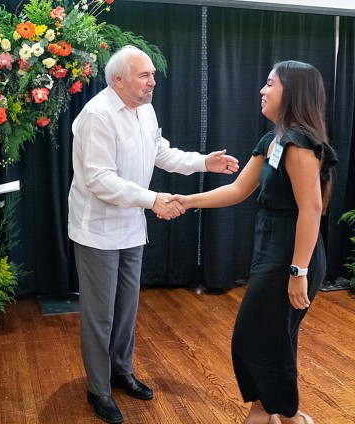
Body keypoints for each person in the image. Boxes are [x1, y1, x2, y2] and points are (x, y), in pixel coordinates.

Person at [68, 45, 240, 424]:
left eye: (151, 74)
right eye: (144, 75)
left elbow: (159, 151)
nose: (153, 81)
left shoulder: (144, 109)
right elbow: (99, 180)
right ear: (118, 81)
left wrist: (202, 162)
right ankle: (98, 390)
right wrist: (152, 199)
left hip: (132, 226)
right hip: (97, 229)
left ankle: (120, 371)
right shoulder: (97, 115)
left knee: (126, 309)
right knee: (100, 316)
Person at [174, 60, 337, 424]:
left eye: (270, 84)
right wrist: (186, 201)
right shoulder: (274, 140)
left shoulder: (299, 144)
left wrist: (299, 271)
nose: (262, 91)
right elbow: (236, 190)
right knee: (273, 339)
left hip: (292, 255)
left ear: (292, 92)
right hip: (271, 250)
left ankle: (275, 413)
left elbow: (311, 209)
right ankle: (282, 415)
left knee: (253, 339)